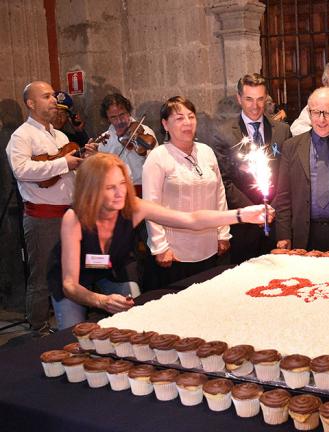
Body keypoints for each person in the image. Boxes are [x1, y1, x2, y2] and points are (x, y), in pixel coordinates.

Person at [49, 153, 272, 329]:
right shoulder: (74, 217)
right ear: (92, 189)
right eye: (110, 188)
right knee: (72, 335)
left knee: (132, 320)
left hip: (112, 270)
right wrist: (101, 301)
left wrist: (242, 214)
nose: (120, 193)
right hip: (75, 280)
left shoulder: (133, 206)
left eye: (122, 184)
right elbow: (70, 285)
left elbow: (191, 219)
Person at [5, 81, 83, 333]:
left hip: (68, 215)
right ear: (31, 103)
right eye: (47, 96)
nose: (54, 100)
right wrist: (64, 165)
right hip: (43, 218)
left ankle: (70, 320)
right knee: (41, 277)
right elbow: (22, 170)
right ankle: (38, 327)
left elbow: (68, 176)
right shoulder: (21, 136)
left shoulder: (60, 136)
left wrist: (82, 162)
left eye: (53, 95)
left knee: (70, 270)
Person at [142, 96, 231, 289]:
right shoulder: (158, 157)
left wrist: (223, 232)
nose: (187, 123)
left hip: (208, 245)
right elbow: (150, 206)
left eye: (191, 117)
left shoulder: (206, 151)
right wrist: (160, 246)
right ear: (165, 124)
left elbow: (219, 194)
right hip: (175, 251)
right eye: (179, 118)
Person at [212, 73, 291, 262]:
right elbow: (225, 181)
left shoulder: (282, 131)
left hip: (277, 221)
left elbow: (287, 178)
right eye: (249, 99)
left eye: (260, 99)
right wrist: (254, 212)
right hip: (243, 226)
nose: (255, 106)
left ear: (266, 98)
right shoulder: (223, 134)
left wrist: (273, 212)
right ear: (239, 98)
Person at [274, 87, 329, 252]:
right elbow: (283, 196)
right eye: (315, 112)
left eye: (328, 113)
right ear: (309, 113)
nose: (321, 119)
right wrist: (283, 235)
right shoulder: (291, 147)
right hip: (305, 234)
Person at [84, 93, 157, 197]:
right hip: (117, 192)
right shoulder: (105, 139)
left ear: (129, 112)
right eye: (113, 117)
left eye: (122, 114)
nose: (119, 121)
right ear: (107, 118)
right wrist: (95, 157)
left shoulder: (144, 131)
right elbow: (103, 172)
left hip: (143, 190)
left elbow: (156, 164)